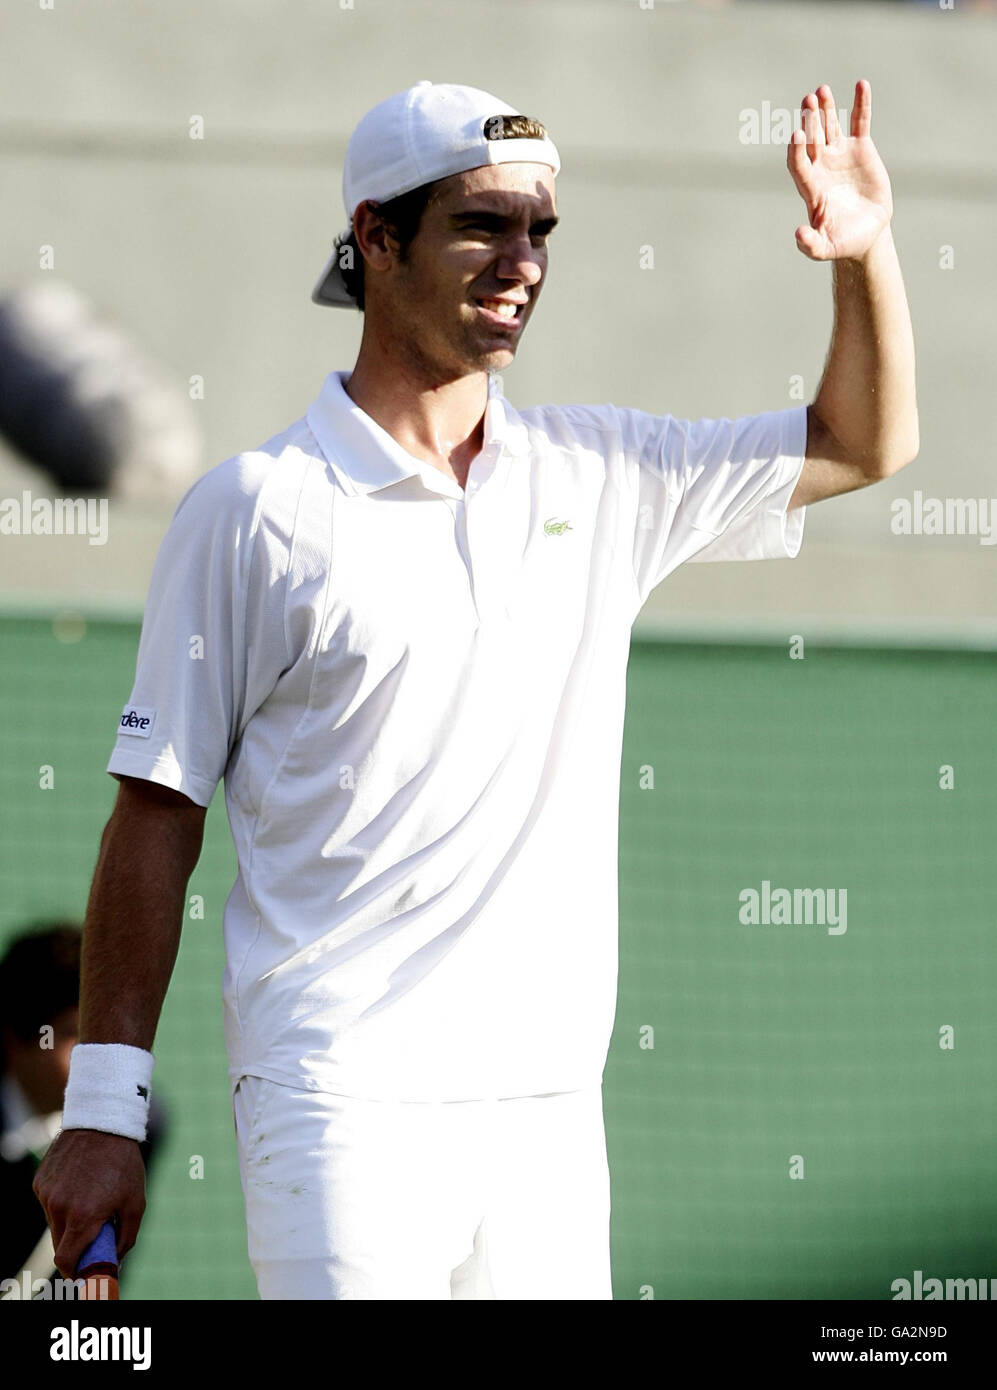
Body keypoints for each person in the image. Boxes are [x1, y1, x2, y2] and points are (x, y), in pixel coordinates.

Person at [33, 79, 917, 1300]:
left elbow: (861, 442)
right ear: (377, 237)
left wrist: (863, 255)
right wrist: (101, 1113)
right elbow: (156, 814)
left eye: (540, 230)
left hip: (550, 1115)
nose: (522, 262)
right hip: (335, 1105)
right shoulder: (251, 510)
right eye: (483, 225)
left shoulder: (603, 468)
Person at [1, 924, 164, 1290]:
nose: (92, 1062)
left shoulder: (139, 1122)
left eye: (98, 1039)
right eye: (72, 1034)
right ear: (15, 1040)